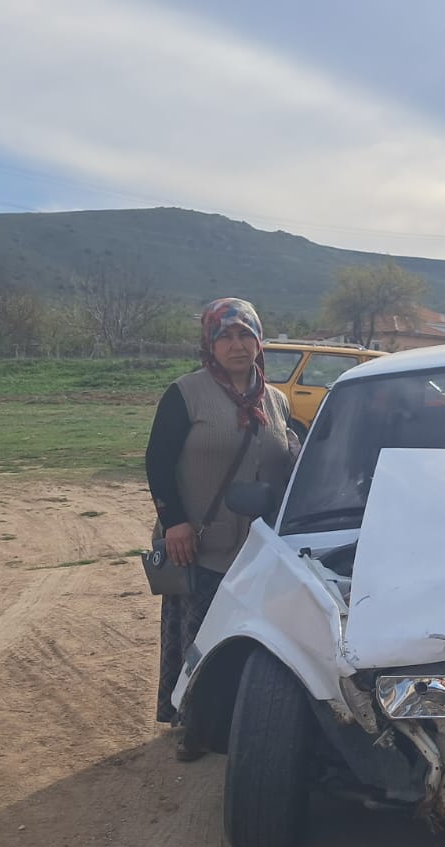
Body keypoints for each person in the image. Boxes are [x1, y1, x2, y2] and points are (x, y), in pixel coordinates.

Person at [147, 298, 297, 760]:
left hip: (260, 550)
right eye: (225, 336)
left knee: (255, 637)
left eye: (245, 335)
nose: (237, 345)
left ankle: (241, 720)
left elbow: (289, 460)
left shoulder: (276, 401)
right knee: (201, 639)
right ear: (209, 344)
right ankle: (196, 726)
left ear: (259, 342)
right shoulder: (185, 393)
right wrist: (174, 522)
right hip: (200, 545)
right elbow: (158, 461)